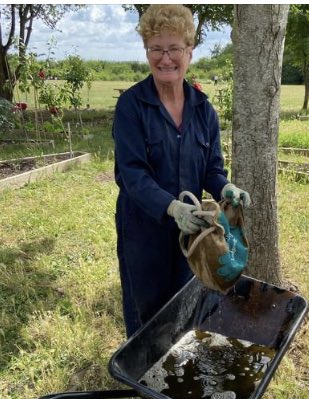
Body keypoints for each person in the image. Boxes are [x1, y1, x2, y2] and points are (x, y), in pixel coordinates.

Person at [112, 5, 250, 337]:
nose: (165, 59)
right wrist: (172, 208)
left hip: (193, 234)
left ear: (189, 51)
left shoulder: (204, 111)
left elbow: (212, 170)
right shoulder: (132, 106)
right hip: (144, 231)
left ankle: (176, 374)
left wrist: (225, 188)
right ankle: (146, 380)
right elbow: (131, 174)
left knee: (185, 305)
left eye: (174, 48)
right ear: (147, 52)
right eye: (155, 49)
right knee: (146, 312)